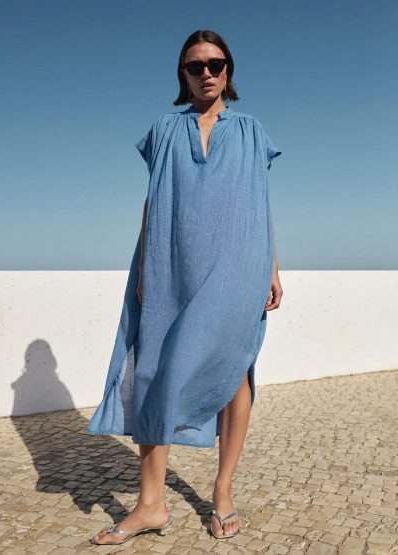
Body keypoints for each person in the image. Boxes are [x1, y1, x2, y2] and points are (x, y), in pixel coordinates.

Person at [87, 29, 283, 546]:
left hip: (238, 263)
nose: (207, 73)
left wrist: (272, 268)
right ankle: (151, 503)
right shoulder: (164, 128)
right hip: (169, 262)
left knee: (234, 369)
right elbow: (153, 200)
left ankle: (223, 491)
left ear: (228, 69)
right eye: (196, 66)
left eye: (215, 64)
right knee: (154, 369)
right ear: (184, 74)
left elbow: (259, 203)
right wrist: (144, 267)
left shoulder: (251, 130)